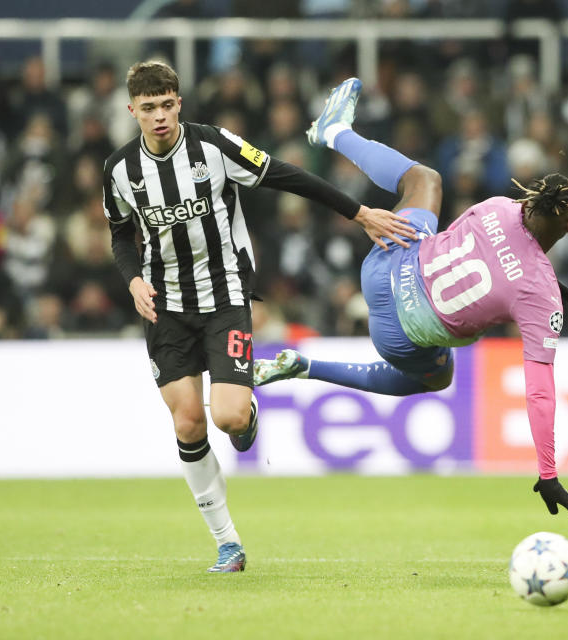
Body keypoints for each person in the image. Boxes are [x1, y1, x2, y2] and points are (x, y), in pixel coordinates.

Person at [103, 61, 415, 573]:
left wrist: (359, 213)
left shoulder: (215, 147)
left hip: (225, 296)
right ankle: (227, 543)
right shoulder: (120, 171)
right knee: (186, 420)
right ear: (132, 110)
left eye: (167, 105)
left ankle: (245, 417)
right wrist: (134, 279)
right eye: (148, 108)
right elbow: (119, 233)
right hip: (166, 306)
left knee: (226, 417)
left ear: (179, 103)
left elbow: (288, 176)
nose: (159, 116)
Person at [254, 78, 568, 524]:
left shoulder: (498, 207)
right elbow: (539, 390)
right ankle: (306, 367)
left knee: (424, 179)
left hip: (386, 263)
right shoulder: (539, 293)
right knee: (438, 377)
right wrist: (547, 472)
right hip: (399, 332)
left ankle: (336, 132)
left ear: (529, 201)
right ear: (566, 229)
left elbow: (491, 256)